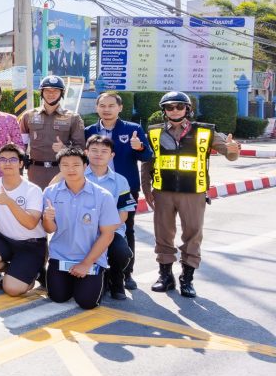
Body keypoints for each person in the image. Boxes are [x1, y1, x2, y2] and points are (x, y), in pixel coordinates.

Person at [141, 91, 240, 298]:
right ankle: (165, 276)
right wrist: (146, 189)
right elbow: (148, 162)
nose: (174, 110)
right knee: (163, 234)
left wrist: (233, 149)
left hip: (193, 192)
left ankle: (187, 279)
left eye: (179, 106)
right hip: (163, 191)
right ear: (164, 110)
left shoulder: (206, 131)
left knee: (193, 234)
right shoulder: (153, 132)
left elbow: (230, 155)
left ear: (188, 109)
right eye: (169, 107)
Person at [86, 91, 153, 290]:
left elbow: (147, 156)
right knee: (90, 228)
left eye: (111, 106)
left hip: (124, 188)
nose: (106, 110)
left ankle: (126, 273)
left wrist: (139, 147)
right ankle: (99, 269)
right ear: (97, 108)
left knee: (126, 230)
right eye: (102, 106)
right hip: (93, 187)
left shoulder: (133, 129)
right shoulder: (89, 130)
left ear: (120, 108)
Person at [41, 146, 121, 310]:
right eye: (65, 165)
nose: (70, 169)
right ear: (60, 167)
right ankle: (70, 279)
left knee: (87, 302)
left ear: (85, 166)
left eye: (76, 165)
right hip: (61, 256)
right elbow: (49, 229)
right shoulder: (50, 193)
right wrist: (47, 219)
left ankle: (103, 277)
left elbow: (107, 235)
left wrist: (86, 263)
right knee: (58, 297)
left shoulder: (102, 196)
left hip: (90, 258)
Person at [0, 144, 46, 298]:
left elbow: (31, 223)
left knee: (12, 289)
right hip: (5, 239)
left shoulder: (33, 189)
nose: (7, 163)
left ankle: (34, 273)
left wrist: (9, 201)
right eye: (3, 159)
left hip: (30, 243)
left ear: (21, 164)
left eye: (13, 159)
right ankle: (13, 270)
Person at [83, 135, 137, 300]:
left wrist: (106, 230)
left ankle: (117, 278)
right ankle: (99, 276)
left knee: (122, 252)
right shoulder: (78, 177)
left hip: (111, 230)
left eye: (104, 151)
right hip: (83, 231)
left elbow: (124, 212)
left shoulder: (120, 181)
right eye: (94, 150)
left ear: (112, 155)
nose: (99, 154)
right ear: (86, 152)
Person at [20, 74, 85, 188]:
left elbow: (81, 148)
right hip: (35, 171)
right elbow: (21, 144)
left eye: (55, 91)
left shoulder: (73, 117)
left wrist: (65, 149)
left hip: (61, 171)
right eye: (47, 91)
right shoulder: (28, 116)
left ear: (62, 93)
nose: (51, 94)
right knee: (36, 204)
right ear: (41, 93)